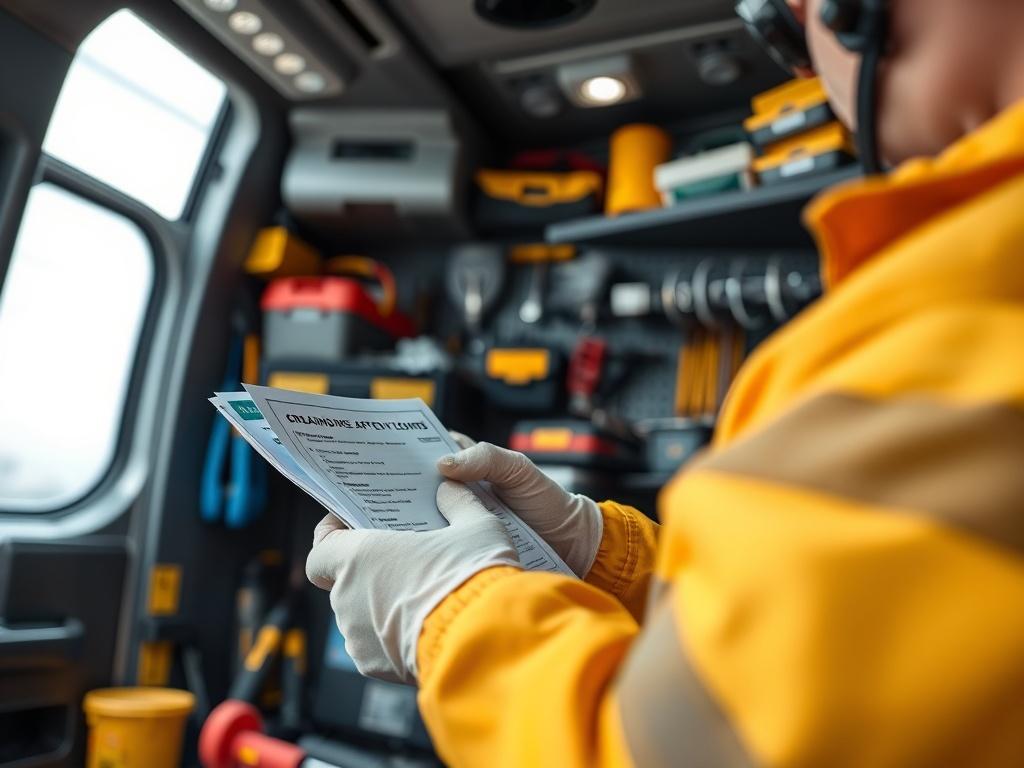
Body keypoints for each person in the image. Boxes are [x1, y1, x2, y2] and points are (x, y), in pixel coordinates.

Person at [305, 0, 1024, 763]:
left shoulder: (945, 322)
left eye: (788, 32)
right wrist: (595, 553)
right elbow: (828, 638)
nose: (813, 74)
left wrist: (448, 611)